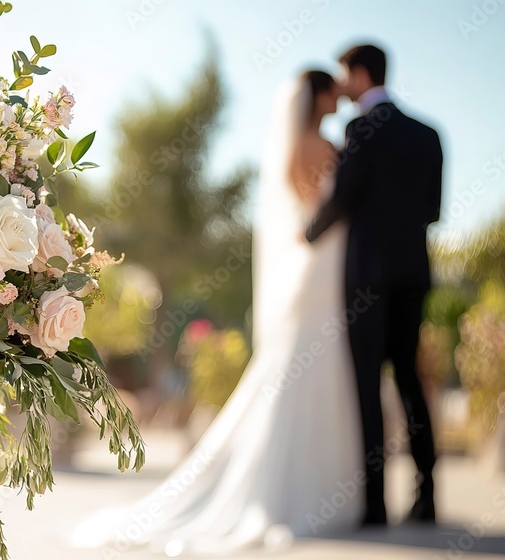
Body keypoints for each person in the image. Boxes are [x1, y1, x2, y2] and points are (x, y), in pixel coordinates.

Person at [72, 69, 364, 555]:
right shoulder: (320, 146)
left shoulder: (297, 145)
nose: (339, 97)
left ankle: (303, 488)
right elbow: (326, 208)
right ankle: (310, 492)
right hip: (322, 274)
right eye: (332, 90)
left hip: (312, 273)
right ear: (318, 97)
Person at [306, 44, 443, 526]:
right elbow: (433, 211)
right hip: (413, 273)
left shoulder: (359, 130)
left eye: (345, 75)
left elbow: (343, 197)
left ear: (361, 75)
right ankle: (427, 497)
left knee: (368, 384)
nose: (342, 86)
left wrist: (307, 234)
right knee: (409, 378)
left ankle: (375, 504)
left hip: (366, 277)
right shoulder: (430, 135)